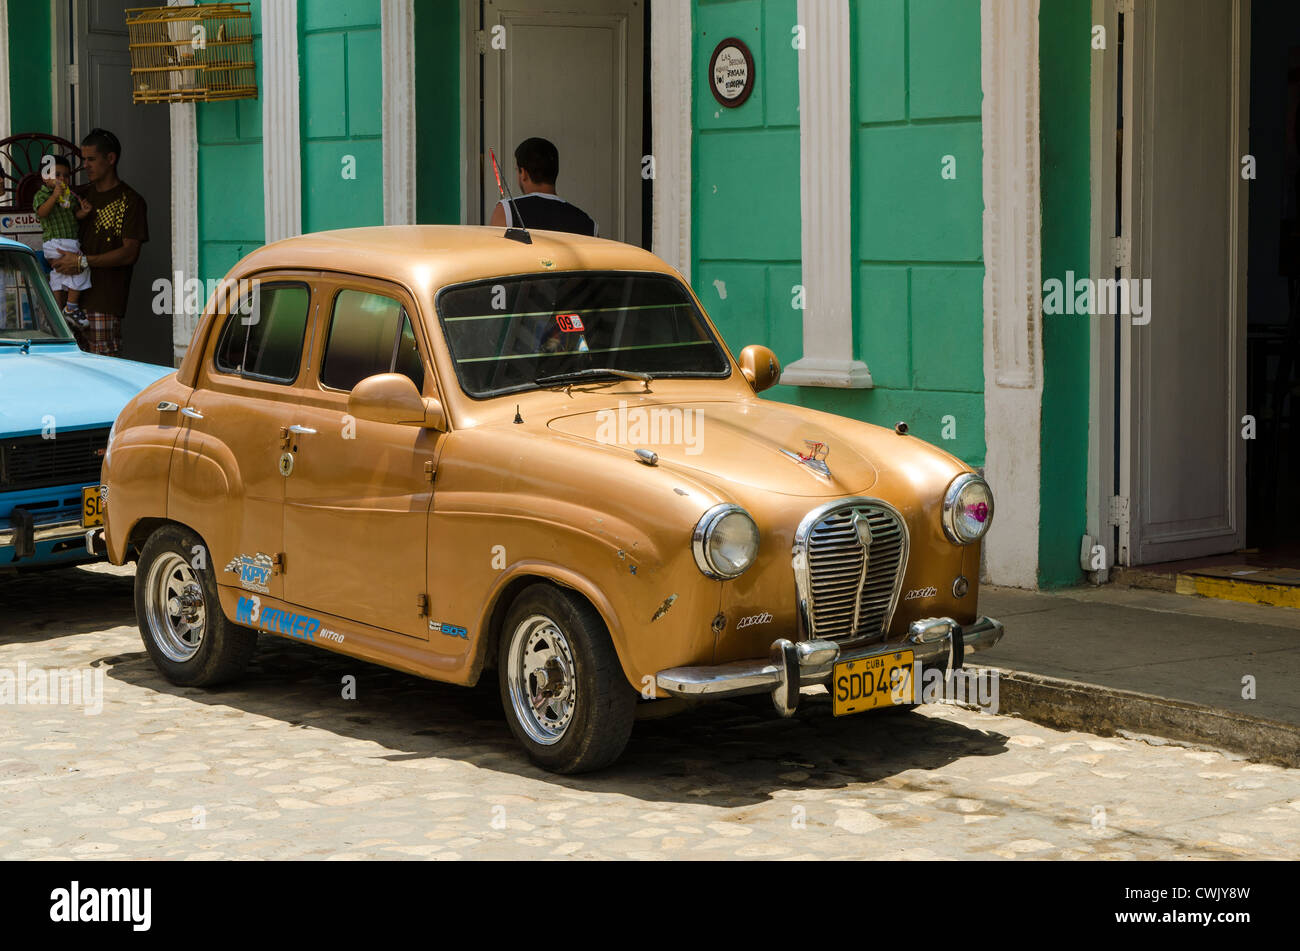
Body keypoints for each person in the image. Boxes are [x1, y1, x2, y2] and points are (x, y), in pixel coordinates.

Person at [50, 128, 148, 358]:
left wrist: (82, 262)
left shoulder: (131, 201)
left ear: (111, 159)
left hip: (104, 301)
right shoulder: (80, 196)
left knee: (104, 368)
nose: (86, 165)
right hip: (67, 302)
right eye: (84, 160)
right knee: (70, 369)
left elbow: (129, 253)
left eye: (91, 159)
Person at [489, 137, 598, 237]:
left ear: (524, 173)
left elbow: (494, 255)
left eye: (517, 170)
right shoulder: (588, 224)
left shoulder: (506, 211)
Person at [32, 154, 93, 326]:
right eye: (56, 175)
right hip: (56, 242)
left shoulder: (70, 196)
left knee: (58, 276)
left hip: (68, 241)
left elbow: (75, 216)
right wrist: (53, 196)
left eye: (65, 175)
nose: (62, 179)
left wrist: (84, 212)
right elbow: (41, 213)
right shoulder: (42, 195)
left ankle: (57, 315)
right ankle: (71, 308)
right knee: (82, 266)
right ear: (45, 178)